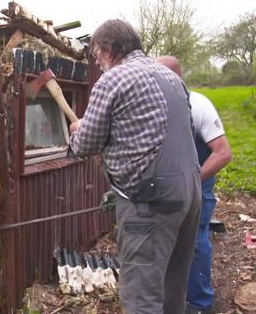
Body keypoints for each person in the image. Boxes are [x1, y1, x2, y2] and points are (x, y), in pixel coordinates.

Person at [69, 19, 201, 314]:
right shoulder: (171, 78)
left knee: (142, 295)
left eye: (96, 55)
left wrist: (78, 130)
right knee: (171, 288)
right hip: (190, 193)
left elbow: (86, 144)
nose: (97, 62)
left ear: (108, 49)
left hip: (151, 200)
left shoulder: (114, 79)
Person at [157, 56, 232, 314]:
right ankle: (171, 300)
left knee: (196, 240)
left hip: (198, 183)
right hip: (166, 185)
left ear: (176, 79)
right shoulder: (154, 105)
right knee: (166, 239)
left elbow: (223, 153)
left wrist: (191, 178)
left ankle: (200, 304)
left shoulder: (198, 105)